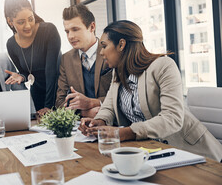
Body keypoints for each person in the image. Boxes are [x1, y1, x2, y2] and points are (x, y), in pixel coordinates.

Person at [79, 20, 222, 161]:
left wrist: (126, 132)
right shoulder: (118, 71)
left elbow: (172, 117)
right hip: (151, 149)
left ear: (121, 44)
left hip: (190, 152)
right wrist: (99, 121)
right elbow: (109, 105)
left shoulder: (163, 66)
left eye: (104, 46)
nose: (101, 52)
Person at [4, 0, 61, 116]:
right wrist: (21, 77)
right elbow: (26, 71)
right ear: (10, 21)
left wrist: (49, 106)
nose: (28, 25)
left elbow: (52, 71)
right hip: (37, 93)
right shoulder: (11, 44)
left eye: (31, 19)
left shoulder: (49, 31)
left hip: (58, 92)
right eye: (21, 22)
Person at [56, 4, 112, 118]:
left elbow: (123, 95)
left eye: (75, 29)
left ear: (92, 27)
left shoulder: (111, 51)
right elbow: (60, 102)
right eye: (67, 31)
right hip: (81, 128)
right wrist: (84, 113)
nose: (70, 36)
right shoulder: (66, 59)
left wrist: (94, 103)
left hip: (113, 123)